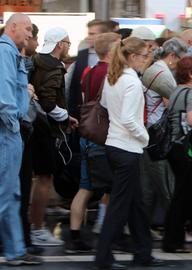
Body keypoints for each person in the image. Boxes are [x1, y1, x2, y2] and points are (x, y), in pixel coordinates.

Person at [94, 37, 164, 269]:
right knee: (120, 207)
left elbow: (105, 105)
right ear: (133, 57)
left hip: (114, 146)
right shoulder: (132, 82)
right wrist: (144, 138)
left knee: (136, 205)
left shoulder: (112, 78)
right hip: (127, 148)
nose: (147, 60)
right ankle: (103, 258)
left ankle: (143, 253)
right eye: (145, 56)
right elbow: (129, 119)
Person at [65, 33, 121, 254]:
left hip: (87, 134)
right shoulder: (111, 74)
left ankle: (75, 236)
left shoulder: (88, 73)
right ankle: (110, 235)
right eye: (118, 47)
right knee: (114, 187)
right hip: (104, 136)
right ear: (110, 50)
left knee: (85, 188)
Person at [0, 13, 43, 266]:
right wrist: (14, 125)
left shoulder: (12, 53)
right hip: (8, 133)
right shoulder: (6, 52)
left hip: (10, 132)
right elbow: (4, 97)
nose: (30, 34)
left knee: (12, 194)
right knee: (6, 196)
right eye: (27, 29)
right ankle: (15, 250)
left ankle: (16, 250)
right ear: (13, 27)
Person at [30, 27, 78, 246]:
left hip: (35, 126)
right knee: (44, 179)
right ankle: (37, 228)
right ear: (60, 44)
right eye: (67, 42)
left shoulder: (37, 61)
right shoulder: (54, 68)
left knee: (39, 178)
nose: (69, 46)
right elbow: (49, 103)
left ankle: (34, 225)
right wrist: (66, 116)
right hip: (45, 130)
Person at [162, 56, 192, 253]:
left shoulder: (176, 92)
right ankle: (172, 241)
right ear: (191, 74)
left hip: (174, 148)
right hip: (185, 150)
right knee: (184, 196)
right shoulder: (190, 93)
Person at [141, 37, 188, 222]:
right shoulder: (164, 74)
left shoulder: (153, 69)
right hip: (158, 135)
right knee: (165, 184)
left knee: (148, 185)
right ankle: (176, 227)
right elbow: (172, 104)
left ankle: (143, 227)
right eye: (179, 59)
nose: (180, 65)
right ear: (171, 56)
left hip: (147, 131)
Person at [18, 23, 41, 255]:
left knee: (20, 189)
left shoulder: (21, 60)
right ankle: (19, 241)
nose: (31, 37)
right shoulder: (13, 59)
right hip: (16, 131)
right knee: (18, 188)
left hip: (21, 131)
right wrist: (27, 93)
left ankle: (21, 239)